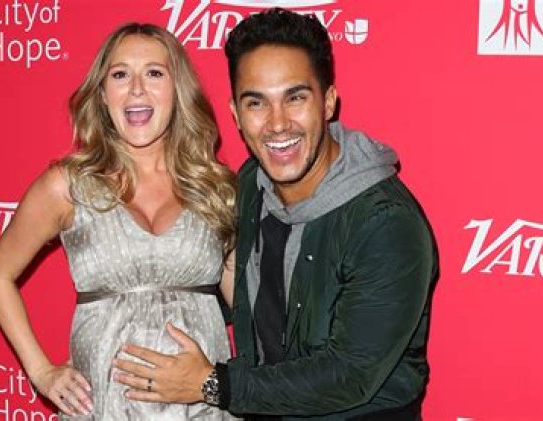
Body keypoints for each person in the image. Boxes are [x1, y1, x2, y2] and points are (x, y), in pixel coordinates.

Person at [114, 8, 439, 420]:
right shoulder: (252, 183)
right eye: (257, 103)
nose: (277, 124)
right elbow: (229, 294)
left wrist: (211, 384)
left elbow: (349, 375)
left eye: (295, 98)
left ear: (328, 103)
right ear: (236, 114)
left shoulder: (384, 223)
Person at [0, 22, 238, 420]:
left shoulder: (216, 188)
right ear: (102, 95)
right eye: (120, 75)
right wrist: (41, 372)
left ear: (178, 89)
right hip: (105, 405)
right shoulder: (67, 186)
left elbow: (247, 305)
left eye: (154, 73)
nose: (136, 88)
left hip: (201, 409)